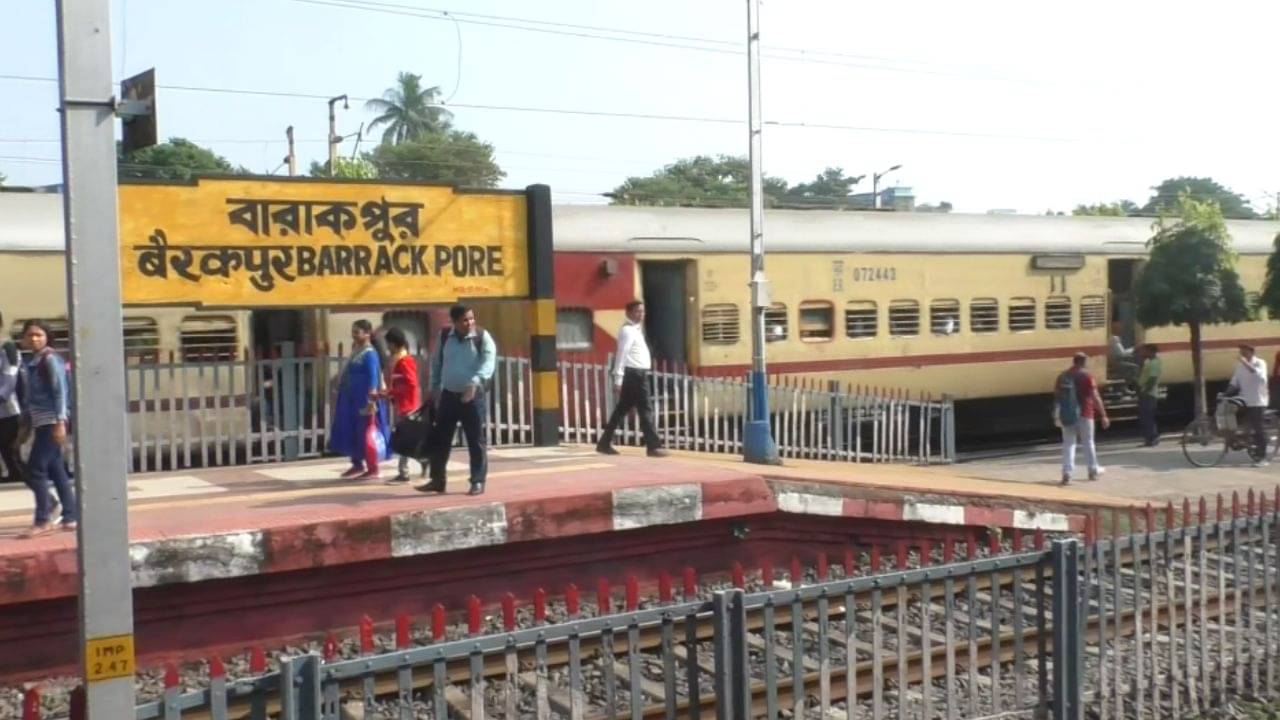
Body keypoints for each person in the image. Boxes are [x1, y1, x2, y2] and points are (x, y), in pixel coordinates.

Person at [419, 305, 495, 496]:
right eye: (465, 320)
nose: (470, 323)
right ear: (454, 322)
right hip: (449, 395)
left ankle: (477, 481)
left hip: (472, 397)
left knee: (475, 440)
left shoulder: (482, 337)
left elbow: (488, 363)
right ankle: (437, 480)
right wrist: (433, 388)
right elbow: (436, 362)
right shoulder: (445, 336)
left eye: (471, 318)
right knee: (441, 439)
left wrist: (475, 382)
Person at [18, 319, 76, 537]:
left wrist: (60, 422)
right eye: (30, 335)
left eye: (39, 335)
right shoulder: (35, 361)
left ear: (47, 337)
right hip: (42, 421)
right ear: (24, 338)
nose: (34, 339)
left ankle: (43, 519)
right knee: (55, 469)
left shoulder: (50, 359)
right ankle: (70, 516)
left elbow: (60, 393)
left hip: (52, 421)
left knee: (36, 469)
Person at [596, 300, 667, 457]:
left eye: (642, 311)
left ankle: (604, 443)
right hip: (635, 375)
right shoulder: (628, 331)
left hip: (636, 374)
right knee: (645, 409)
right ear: (628, 313)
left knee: (621, 409)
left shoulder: (635, 330)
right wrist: (618, 378)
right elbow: (622, 354)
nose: (641, 314)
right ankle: (653, 446)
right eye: (637, 311)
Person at [328, 319, 390, 480]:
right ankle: (357, 464)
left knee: (366, 432)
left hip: (365, 400)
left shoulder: (370, 353)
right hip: (351, 399)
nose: (353, 335)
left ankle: (373, 468)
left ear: (367, 333)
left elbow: (373, 377)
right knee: (352, 430)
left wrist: (371, 399)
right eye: (353, 332)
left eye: (357, 332)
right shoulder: (356, 350)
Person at [1055, 352, 1110, 485]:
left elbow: (1057, 396)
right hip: (1085, 413)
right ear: (1083, 362)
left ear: (1074, 361)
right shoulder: (1086, 376)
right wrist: (1103, 415)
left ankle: (1067, 473)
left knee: (1069, 444)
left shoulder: (1062, 376)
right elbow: (1095, 396)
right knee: (1088, 442)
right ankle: (1092, 470)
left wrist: (1058, 413)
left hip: (1067, 414)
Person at [379, 327, 424, 483]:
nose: (387, 347)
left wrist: (392, 392)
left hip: (408, 406)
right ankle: (424, 460)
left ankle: (404, 472)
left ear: (394, 343)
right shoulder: (399, 360)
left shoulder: (405, 361)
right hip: (402, 405)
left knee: (404, 440)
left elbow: (411, 384)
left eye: (389, 344)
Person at [1227, 344, 1270, 467]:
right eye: (1241, 351)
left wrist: (1245, 363)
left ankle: (1263, 457)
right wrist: (1226, 392)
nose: (1242, 353)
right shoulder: (1239, 366)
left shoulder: (1260, 363)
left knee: (1258, 428)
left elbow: (1258, 375)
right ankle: (1240, 440)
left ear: (1251, 352)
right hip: (1244, 400)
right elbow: (1235, 382)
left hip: (1258, 401)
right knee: (1233, 418)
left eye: (1244, 351)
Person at [0, 311, 23, 485]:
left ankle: (20, 474)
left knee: (7, 445)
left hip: (8, 409)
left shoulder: (7, 348)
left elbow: (10, 377)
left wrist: (1, 396)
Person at [1136, 344, 1162, 447]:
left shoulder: (1154, 363)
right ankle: (1151, 438)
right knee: (1146, 417)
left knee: (1147, 417)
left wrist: (1145, 390)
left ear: (1150, 352)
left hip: (1149, 394)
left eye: (1144, 351)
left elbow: (1152, 379)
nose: (1142, 353)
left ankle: (1152, 438)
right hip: (1147, 393)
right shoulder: (1149, 362)